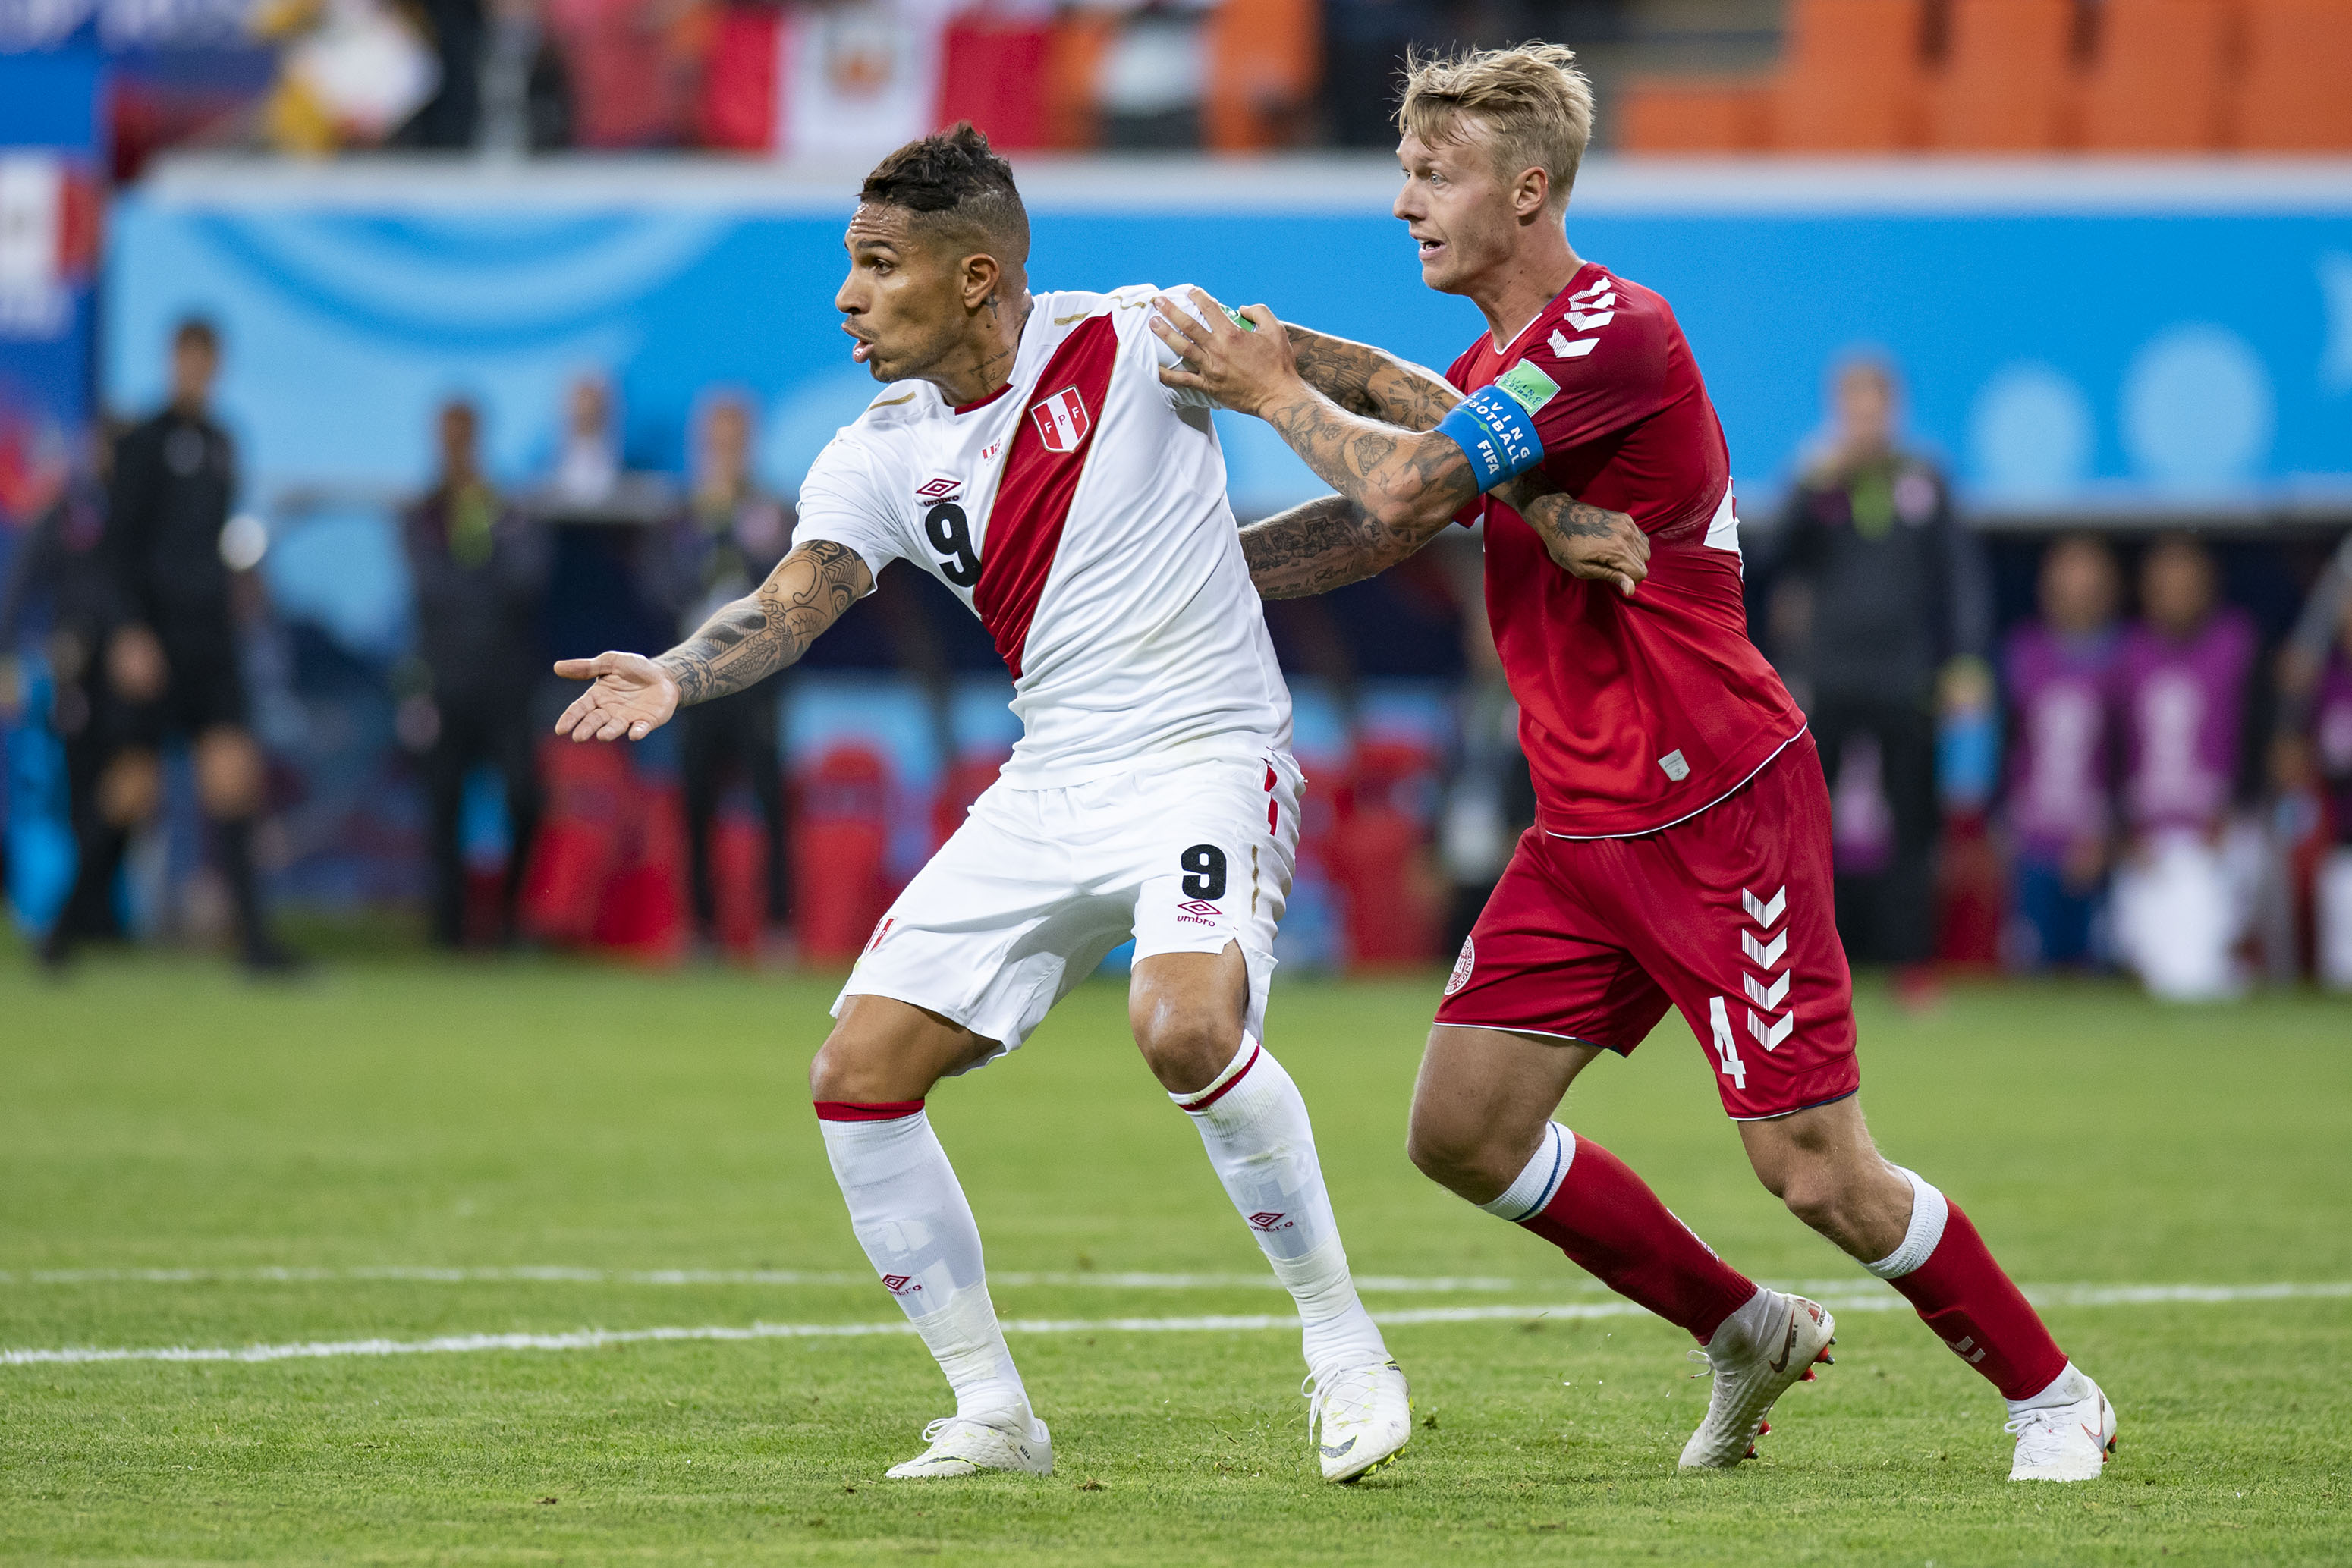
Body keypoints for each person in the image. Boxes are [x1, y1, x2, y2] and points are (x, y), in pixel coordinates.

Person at [1154, 42, 2116, 1482]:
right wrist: (1175, 581)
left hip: (1720, 806)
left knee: (1814, 1173)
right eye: (1403, 173)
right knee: (1462, 1132)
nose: (1406, 203)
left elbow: (1409, 478)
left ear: (1530, 188)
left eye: (1439, 176)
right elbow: (1392, 498)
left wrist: (1276, 392)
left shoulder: (1620, 331)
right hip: (1586, 828)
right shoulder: (1506, 367)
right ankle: (1741, 1330)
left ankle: (2054, 1395)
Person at [552, 124, 1423, 1485]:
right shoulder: (877, 450)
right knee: (856, 1075)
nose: (847, 294)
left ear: (973, 278)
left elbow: (1367, 381)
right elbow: (799, 595)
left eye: (877, 264)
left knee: (1184, 1023)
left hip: (1206, 752)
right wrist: (673, 671)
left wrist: (1512, 454)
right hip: (1050, 781)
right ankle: (995, 1413)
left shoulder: (1145, 335)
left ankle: (1346, 1350)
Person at [43, 319, 302, 974]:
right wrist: (129, 632)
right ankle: (64, 933)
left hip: (208, 641)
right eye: (186, 359)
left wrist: (238, 588)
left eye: (206, 360)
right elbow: (116, 550)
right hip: (152, 640)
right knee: (131, 790)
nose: (196, 371)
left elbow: (209, 546)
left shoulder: (222, 444)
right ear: (172, 361)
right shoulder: (142, 443)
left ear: (217, 365)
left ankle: (255, 946)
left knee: (234, 779)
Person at [1772, 357, 1985, 998]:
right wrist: (1808, 488)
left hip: (1905, 678)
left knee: (1912, 827)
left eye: (1875, 404)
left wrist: (1966, 662)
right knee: (1805, 827)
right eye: (1852, 404)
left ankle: (1911, 966)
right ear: (1838, 408)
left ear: (1893, 409)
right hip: (1830, 678)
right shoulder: (1817, 483)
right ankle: (1801, 967)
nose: (1864, 417)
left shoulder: (1924, 480)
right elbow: (1775, 562)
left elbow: (1961, 578)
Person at [403, 397, 549, 948]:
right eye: (448, 435)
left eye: (465, 434)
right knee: (443, 806)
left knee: (523, 797)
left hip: (506, 680)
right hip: (444, 680)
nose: (456, 446)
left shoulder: (505, 506)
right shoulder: (422, 512)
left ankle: (510, 919)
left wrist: (475, 571)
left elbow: (526, 580)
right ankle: (450, 931)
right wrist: (482, 579)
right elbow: (430, 588)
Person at [656, 392, 794, 954]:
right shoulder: (683, 514)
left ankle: (778, 927)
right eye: (718, 438)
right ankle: (701, 928)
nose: (727, 449)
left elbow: (791, 582)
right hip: (694, 678)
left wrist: (739, 536)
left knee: (769, 803)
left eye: (736, 437)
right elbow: (659, 583)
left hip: (758, 677)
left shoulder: (772, 511)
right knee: (694, 803)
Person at [2109, 534, 2256, 1000]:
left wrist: (2239, 817)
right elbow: (2110, 752)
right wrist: (2122, 832)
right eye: (2163, 584)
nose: (2175, 595)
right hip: (2144, 843)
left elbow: (2261, 743)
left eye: (2186, 583)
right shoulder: (2127, 655)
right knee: (2148, 961)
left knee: (2189, 975)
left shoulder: (2238, 645)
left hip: (2218, 837)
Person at [2000, 534, 2124, 969]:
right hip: (2031, 842)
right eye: (2065, 576)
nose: (2076, 588)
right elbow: (2007, 748)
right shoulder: (2021, 653)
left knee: (2094, 969)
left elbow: (2127, 759)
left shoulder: (2123, 660)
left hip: (2094, 843)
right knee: (2031, 971)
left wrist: (2110, 834)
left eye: (2088, 577)